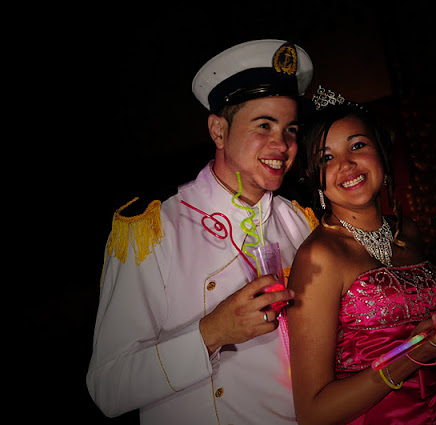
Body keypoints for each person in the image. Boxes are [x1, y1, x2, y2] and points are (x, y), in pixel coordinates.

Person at [87, 39, 317, 425]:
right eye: (264, 125)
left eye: (290, 129)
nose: (282, 144)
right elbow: (107, 387)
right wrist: (211, 333)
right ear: (218, 130)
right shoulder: (153, 229)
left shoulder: (300, 220)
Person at [286, 94, 436, 425]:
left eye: (357, 146)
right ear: (313, 175)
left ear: (381, 153)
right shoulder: (320, 256)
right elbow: (313, 413)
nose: (346, 164)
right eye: (326, 157)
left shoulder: (408, 231)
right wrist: (413, 357)